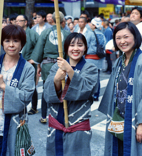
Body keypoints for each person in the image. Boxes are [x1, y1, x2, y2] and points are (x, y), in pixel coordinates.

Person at [0, 25, 35, 156]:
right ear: (1, 42)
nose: (11, 45)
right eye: (7, 40)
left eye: (16, 41)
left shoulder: (28, 68)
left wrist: (4, 85)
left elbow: (25, 97)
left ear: (22, 43)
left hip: (15, 122)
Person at [44, 32, 98, 156]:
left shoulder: (90, 68)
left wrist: (69, 70)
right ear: (66, 47)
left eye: (80, 45)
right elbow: (47, 94)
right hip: (56, 125)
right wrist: (56, 80)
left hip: (78, 126)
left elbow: (87, 89)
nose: (75, 48)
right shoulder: (56, 67)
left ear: (85, 48)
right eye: (71, 45)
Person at [99, 22, 142, 156]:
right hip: (120, 118)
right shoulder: (119, 61)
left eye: (126, 37)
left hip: (135, 118)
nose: (122, 41)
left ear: (135, 37)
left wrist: (141, 123)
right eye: (118, 38)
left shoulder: (141, 60)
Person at [33, 11, 70, 123]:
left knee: (46, 89)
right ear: (63, 21)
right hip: (61, 64)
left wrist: (39, 65)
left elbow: (38, 51)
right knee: (62, 89)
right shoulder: (67, 34)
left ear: (52, 20)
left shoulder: (45, 32)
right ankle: (62, 115)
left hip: (47, 65)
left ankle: (44, 116)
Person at [16, 14, 39, 115]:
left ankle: (34, 107)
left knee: (31, 86)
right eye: (16, 21)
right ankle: (20, 106)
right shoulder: (16, 33)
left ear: (25, 22)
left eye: (19, 21)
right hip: (17, 62)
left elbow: (39, 47)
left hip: (29, 63)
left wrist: (34, 60)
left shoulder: (32, 33)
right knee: (18, 84)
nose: (17, 23)